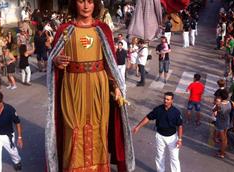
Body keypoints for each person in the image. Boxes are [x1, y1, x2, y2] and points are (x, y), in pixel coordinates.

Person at [46, 0, 134, 171]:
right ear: (74, 4)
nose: (86, 6)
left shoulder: (103, 29)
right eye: (81, 1)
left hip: (98, 85)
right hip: (72, 85)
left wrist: (116, 86)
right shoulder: (65, 29)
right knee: (73, 128)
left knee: (99, 127)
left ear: (95, 5)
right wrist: (56, 60)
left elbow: (110, 63)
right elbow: (53, 58)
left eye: (90, 1)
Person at [132, 92, 183, 172]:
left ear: (172, 101)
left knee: (174, 158)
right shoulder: (158, 109)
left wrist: (179, 140)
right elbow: (148, 117)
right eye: (165, 99)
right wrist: (138, 127)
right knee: (160, 156)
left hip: (172, 138)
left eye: (168, 99)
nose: (165, 101)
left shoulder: (176, 112)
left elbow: (180, 125)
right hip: (160, 136)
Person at [0, 91, 23, 171]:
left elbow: (17, 123)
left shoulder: (10, 109)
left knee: (13, 153)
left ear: (2, 100)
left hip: (8, 135)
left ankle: (17, 161)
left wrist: (19, 137)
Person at [212, 90, 231, 158]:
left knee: (223, 140)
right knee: (225, 137)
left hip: (220, 123)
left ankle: (222, 153)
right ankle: (223, 150)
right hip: (227, 121)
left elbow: (214, 110)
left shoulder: (220, 105)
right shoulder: (229, 102)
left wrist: (216, 103)